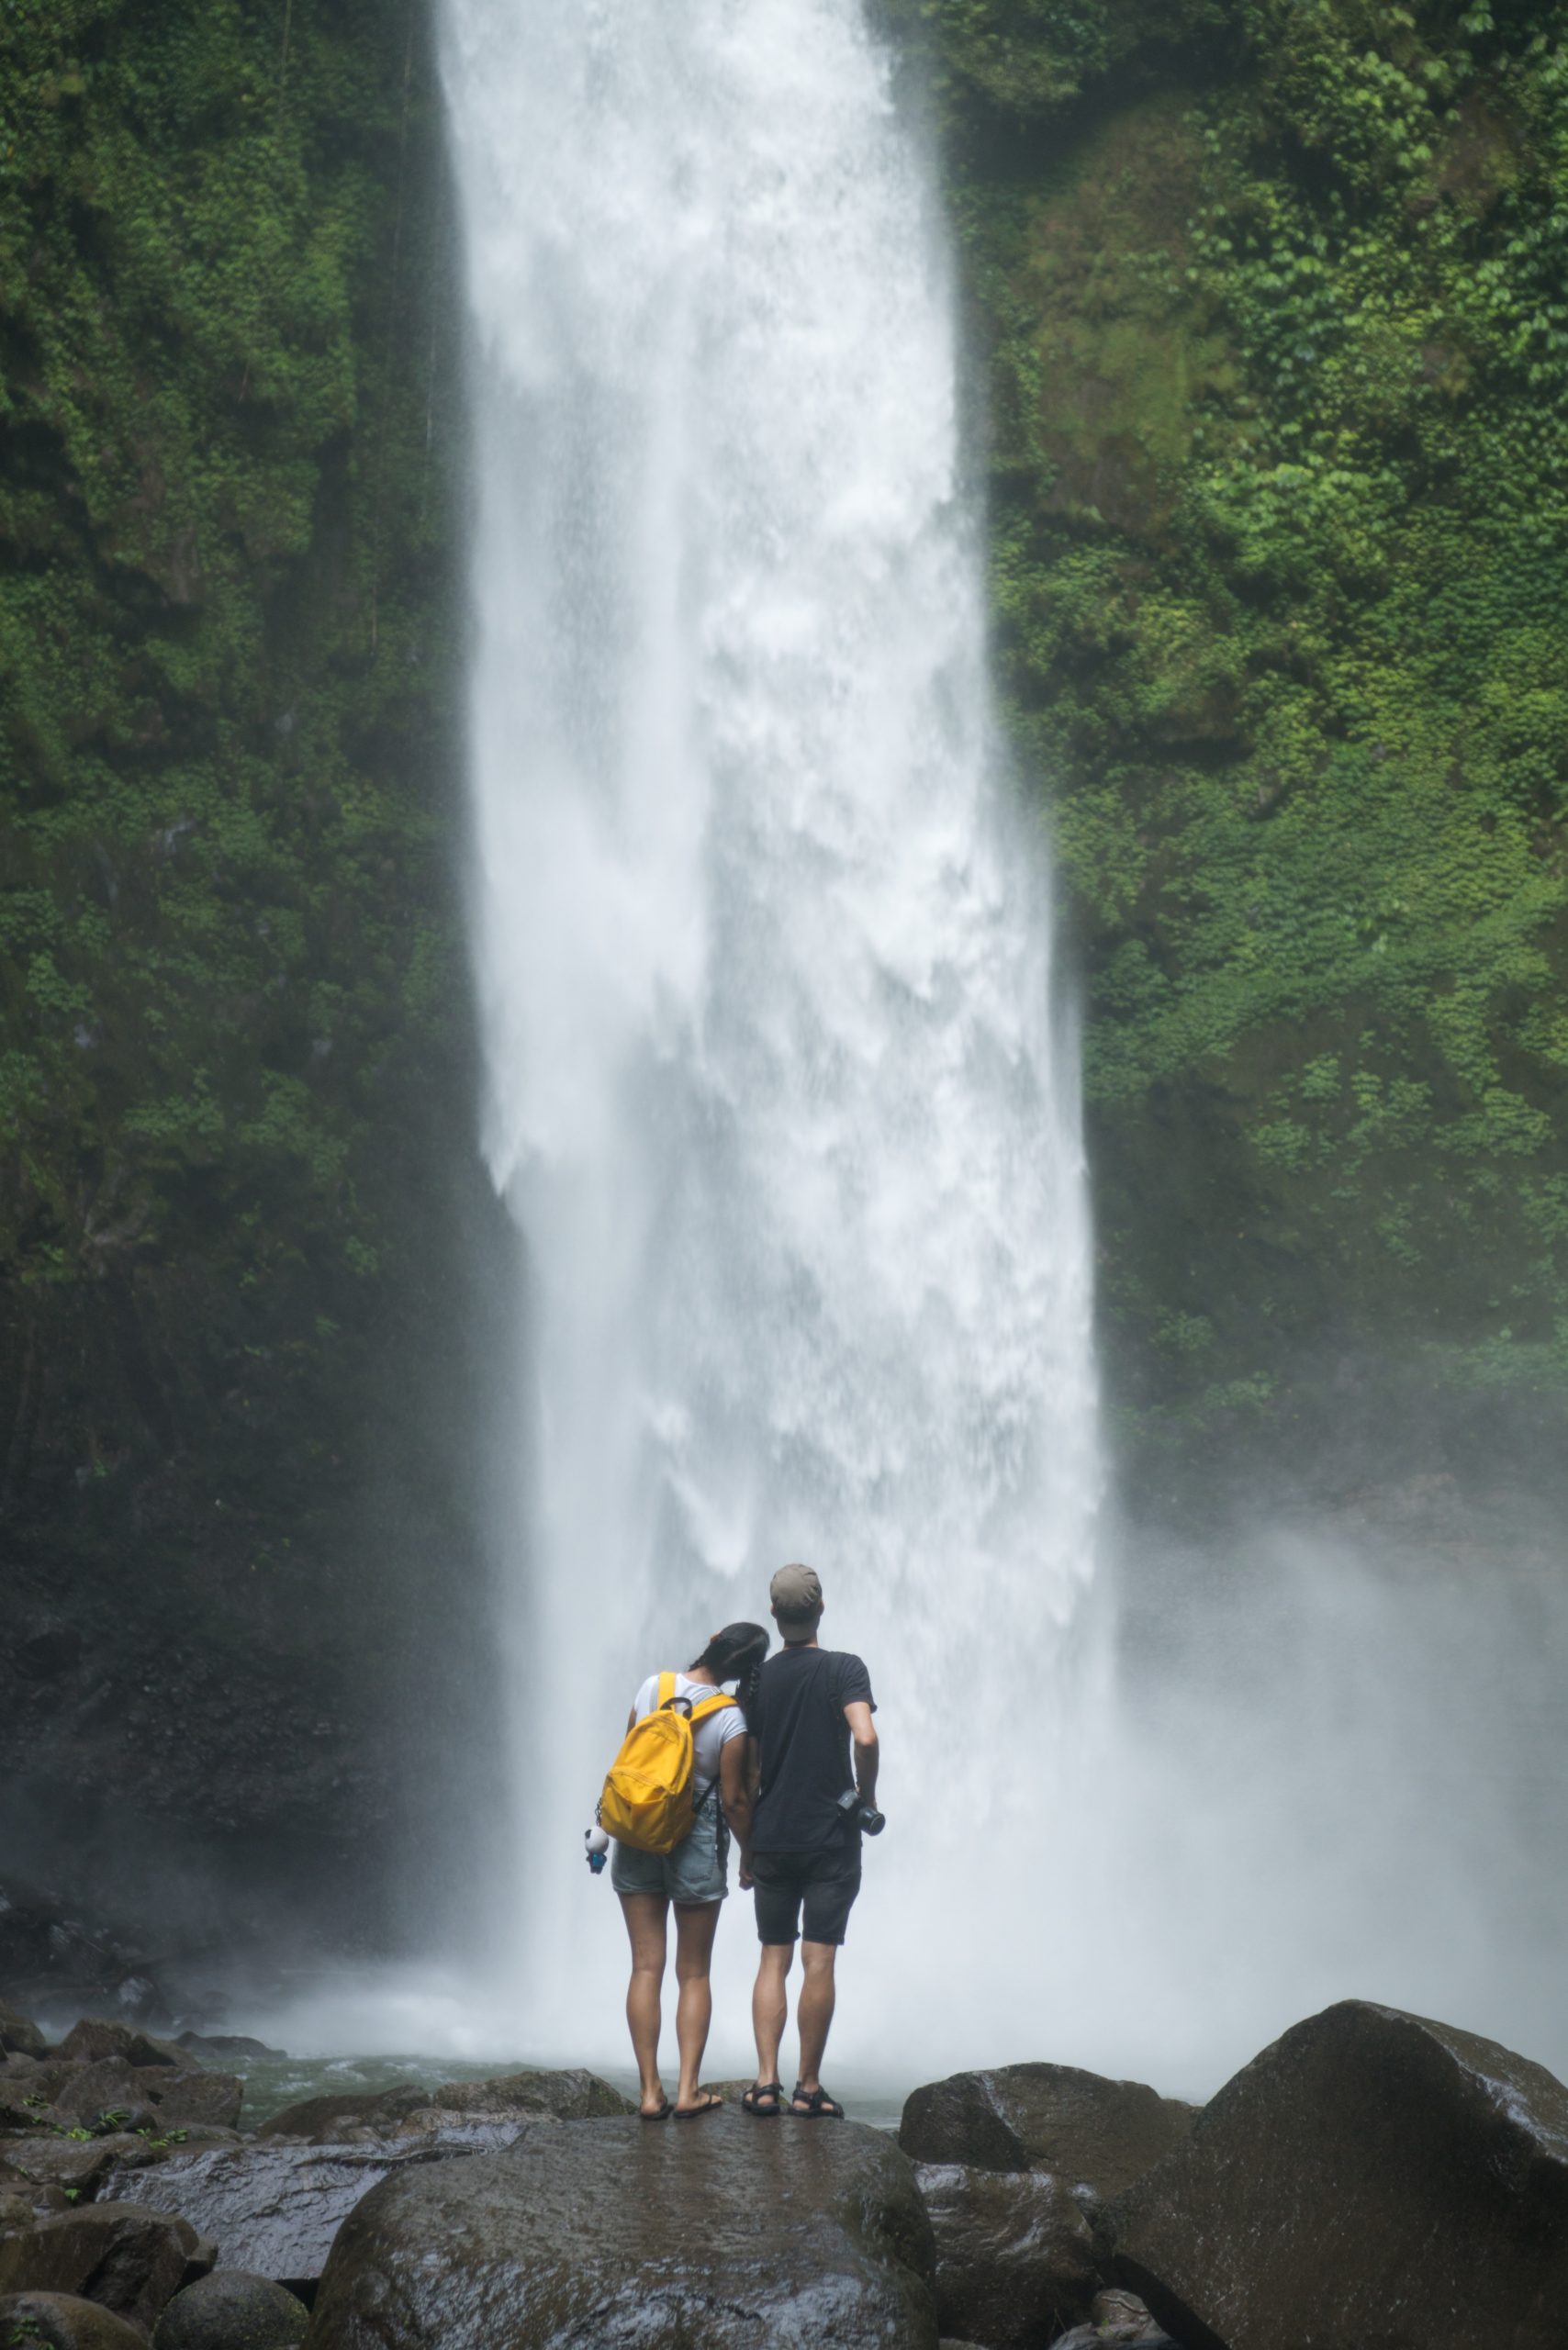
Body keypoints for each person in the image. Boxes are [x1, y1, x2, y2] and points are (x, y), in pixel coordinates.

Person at [609, 1620, 769, 2120]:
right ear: (747, 1672)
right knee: (694, 1972)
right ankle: (689, 2091)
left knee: (644, 1966)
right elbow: (735, 1800)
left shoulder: (652, 1686)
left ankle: (650, 2093)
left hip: (638, 1832)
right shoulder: (731, 1719)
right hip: (696, 1841)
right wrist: (750, 1854)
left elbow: (631, 1758)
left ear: (714, 1639)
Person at [740, 1563, 879, 2120]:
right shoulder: (844, 1669)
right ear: (821, 1609)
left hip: (771, 1837)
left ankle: (765, 2083)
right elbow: (865, 1736)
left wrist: (747, 1850)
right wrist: (864, 1797)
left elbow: (747, 1774)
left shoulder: (756, 1682)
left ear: (774, 1615)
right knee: (818, 1961)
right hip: (830, 1840)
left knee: (773, 1958)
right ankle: (807, 2088)